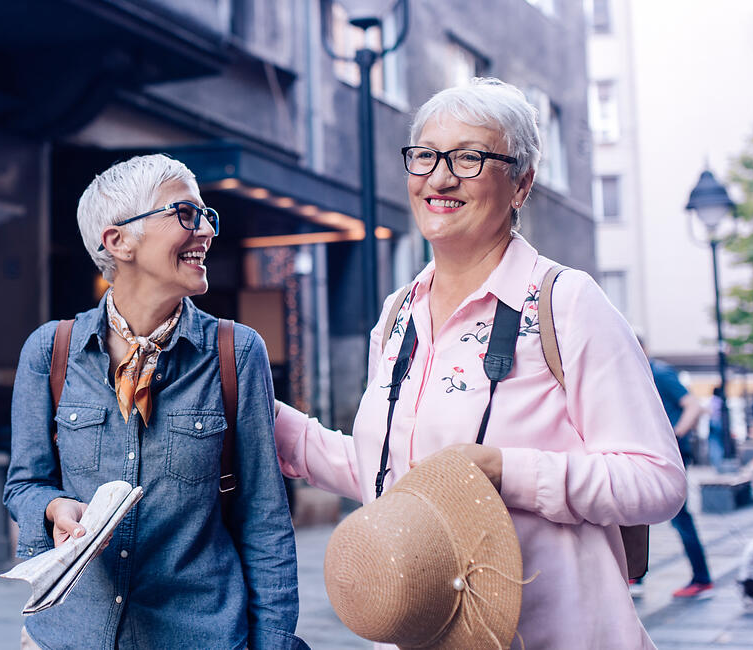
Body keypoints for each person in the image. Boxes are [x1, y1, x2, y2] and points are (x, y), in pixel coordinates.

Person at [270, 78, 686, 648]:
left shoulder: (565, 301)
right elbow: (389, 472)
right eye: (425, 156)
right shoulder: (398, 313)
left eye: (469, 157)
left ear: (522, 183)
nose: (441, 177)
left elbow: (656, 480)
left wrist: (501, 470)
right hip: (439, 632)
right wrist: (251, 402)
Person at [3, 154, 305, 650]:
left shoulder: (236, 352)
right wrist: (54, 506)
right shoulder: (51, 351)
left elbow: (264, 520)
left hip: (200, 635)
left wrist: (273, 643)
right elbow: (25, 484)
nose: (206, 229)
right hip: (68, 638)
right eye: (186, 213)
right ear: (118, 240)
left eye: (208, 215)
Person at [636, 339, 714, 599]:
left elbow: (693, 406)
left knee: (680, 517)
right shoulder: (639, 374)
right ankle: (635, 574)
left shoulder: (659, 373)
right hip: (651, 453)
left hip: (669, 453)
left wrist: (675, 434)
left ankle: (702, 578)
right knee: (637, 511)